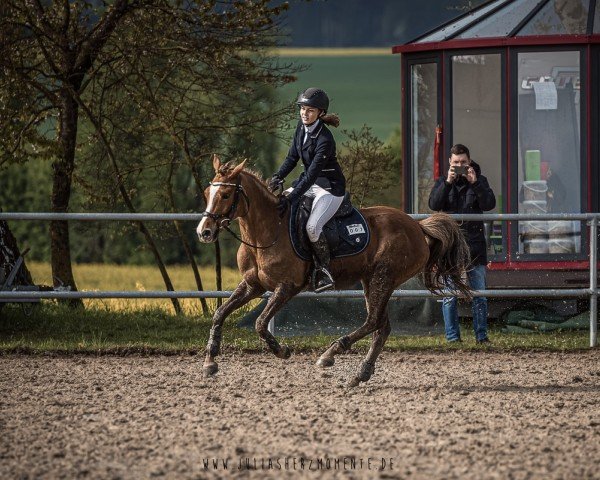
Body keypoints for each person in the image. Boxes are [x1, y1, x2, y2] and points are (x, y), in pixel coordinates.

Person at [268, 87, 345, 292]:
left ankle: (323, 270)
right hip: (310, 184)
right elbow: (292, 158)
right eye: (302, 108)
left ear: (320, 113)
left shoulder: (325, 140)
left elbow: (311, 175)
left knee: (312, 227)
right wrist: (277, 177)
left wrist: (293, 195)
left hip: (329, 189)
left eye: (310, 110)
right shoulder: (301, 128)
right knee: (279, 208)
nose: (304, 113)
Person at [428, 143, 496, 343]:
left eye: (463, 162)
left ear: (469, 161)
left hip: (474, 245)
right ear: (450, 162)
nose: (460, 166)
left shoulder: (479, 180)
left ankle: (481, 337)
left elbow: (489, 204)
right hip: (450, 247)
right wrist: (447, 183)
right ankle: (452, 338)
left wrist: (475, 183)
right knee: (450, 295)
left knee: (479, 295)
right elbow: (433, 205)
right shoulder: (443, 181)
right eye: (456, 162)